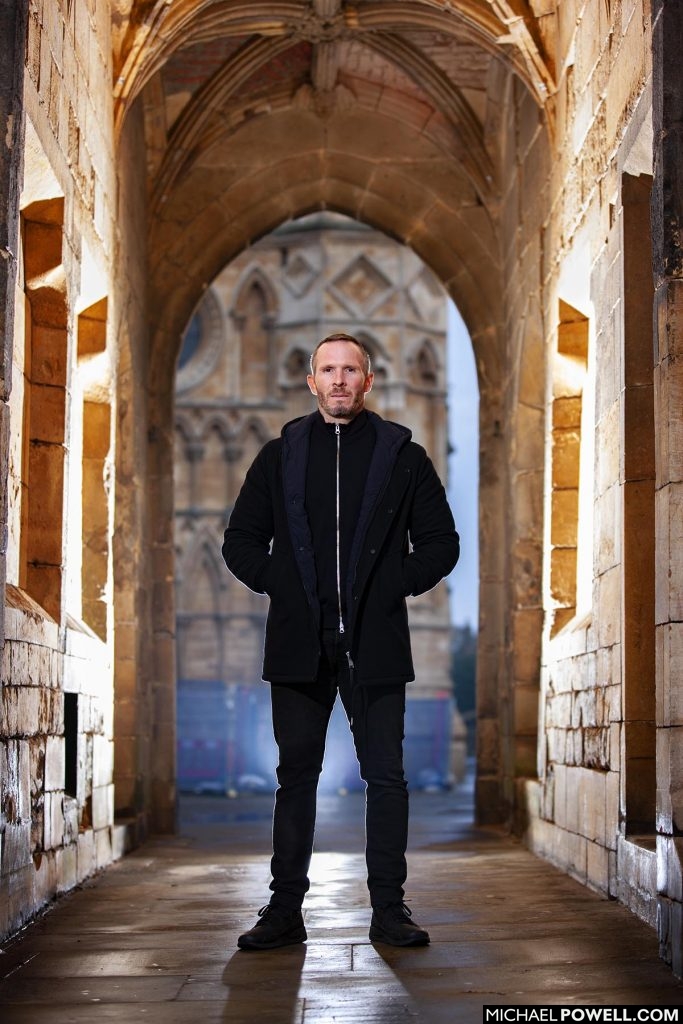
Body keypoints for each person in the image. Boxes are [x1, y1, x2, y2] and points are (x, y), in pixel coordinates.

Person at [222, 332, 459, 950]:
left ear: (368, 380)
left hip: (375, 644)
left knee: (386, 778)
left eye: (350, 370)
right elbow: (239, 541)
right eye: (327, 370)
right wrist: (283, 584)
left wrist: (389, 588)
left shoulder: (403, 455)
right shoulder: (279, 456)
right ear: (311, 382)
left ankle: (389, 910)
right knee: (295, 777)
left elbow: (442, 544)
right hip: (300, 643)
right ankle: (283, 911)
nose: (338, 380)